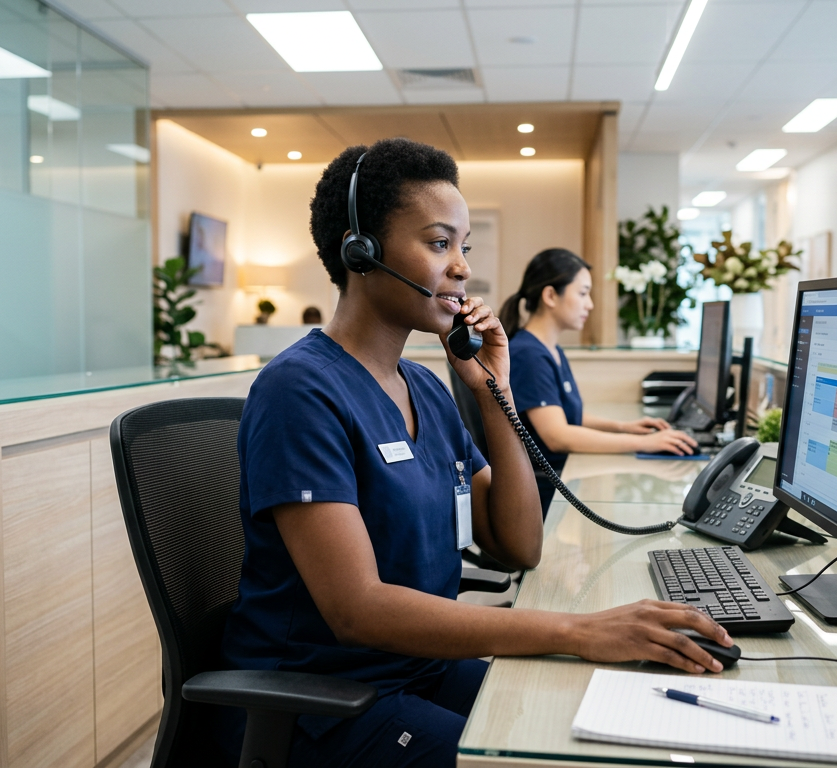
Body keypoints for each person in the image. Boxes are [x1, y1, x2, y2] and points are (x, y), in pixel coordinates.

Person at [215, 138, 732, 768]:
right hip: (324, 704)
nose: (461, 267)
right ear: (362, 250)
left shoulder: (426, 388)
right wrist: (577, 629)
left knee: (598, 718)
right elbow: (357, 608)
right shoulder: (300, 389)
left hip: (421, 672)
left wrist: (495, 393)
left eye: (464, 247)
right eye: (439, 244)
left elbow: (518, 545)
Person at [500, 248, 697, 514]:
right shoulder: (528, 354)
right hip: (542, 491)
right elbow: (558, 436)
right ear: (550, 296)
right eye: (582, 293)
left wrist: (625, 427)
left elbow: (570, 415)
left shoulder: (549, 349)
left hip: (561, 476)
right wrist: (644, 443)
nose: (590, 304)